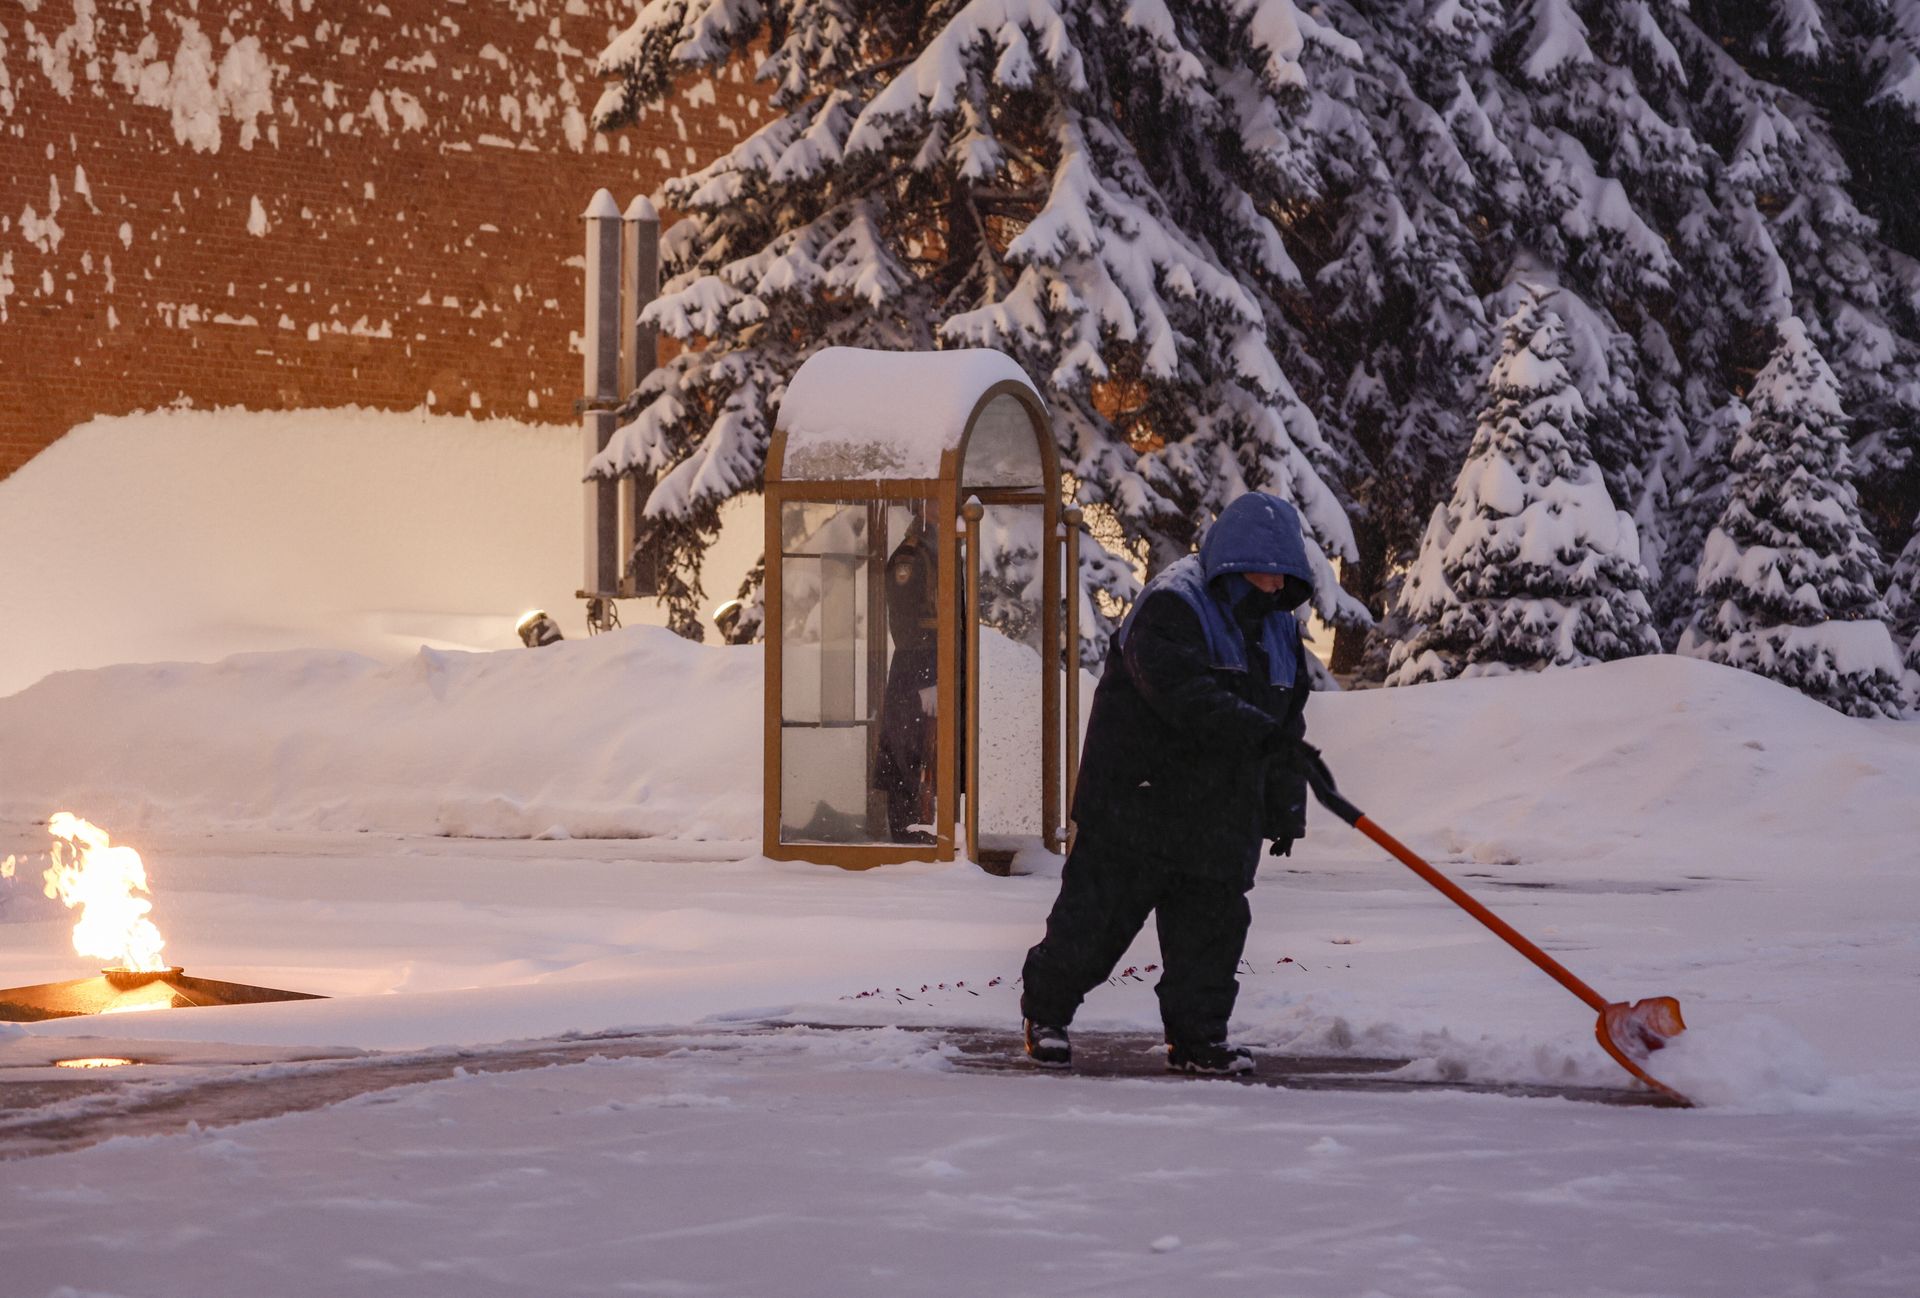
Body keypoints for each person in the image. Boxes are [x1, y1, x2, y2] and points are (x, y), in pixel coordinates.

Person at [1019, 492, 1330, 1074]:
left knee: (1210, 937)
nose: (1273, 582)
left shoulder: (1283, 630)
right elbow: (1182, 697)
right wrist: (1257, 734)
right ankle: (1047, 1013)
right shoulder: (1174, 604)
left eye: (1284, 571)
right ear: (1235, 561)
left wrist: (1284, 807)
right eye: (1265, 568)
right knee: (1094, 925)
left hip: (1220, 817)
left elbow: (1287, 726)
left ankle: (1198, 1040)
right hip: (1137, 804)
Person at [872, 519, 940, 842]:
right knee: (905, 754)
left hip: (931, 663)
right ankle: (907, 837)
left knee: (925, 755)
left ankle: (922, 832)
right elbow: (904, 619)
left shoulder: (935, 547)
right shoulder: (911, 556)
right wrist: (924, 677)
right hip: (916, 667)